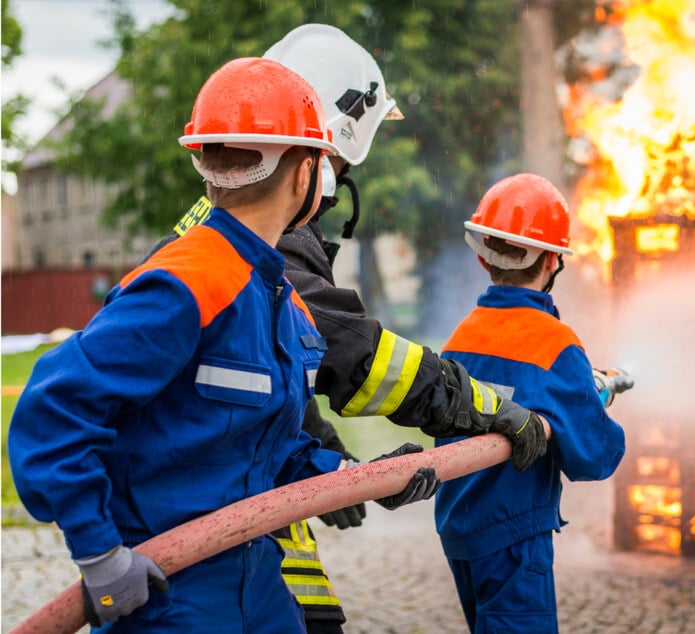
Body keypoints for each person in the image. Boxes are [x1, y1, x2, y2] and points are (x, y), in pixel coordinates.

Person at [7, 57, 428, 632]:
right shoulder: (185, 284)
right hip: (171, 595)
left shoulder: (281, 299)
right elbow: (52, 411)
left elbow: (267, 449)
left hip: (258, 579)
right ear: (306, 170)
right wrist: (101, 555)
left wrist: (364, 477)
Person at [158, 24, 550, 633]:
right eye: (333, 162)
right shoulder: (262, 245)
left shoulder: (227, 232)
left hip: (235, 503)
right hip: (208, 535)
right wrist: (481, 406)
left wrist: (335, 471)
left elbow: (260, 377)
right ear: (309, 158)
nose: (331, 182)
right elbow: (357, 354)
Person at [434, 173, 630, 633]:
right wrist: (592, 403)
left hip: (459, 526)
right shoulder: (556, 344)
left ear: (485, 258)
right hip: (513, 531)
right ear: (552, 259)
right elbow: (594, 457)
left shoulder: (462, 335)